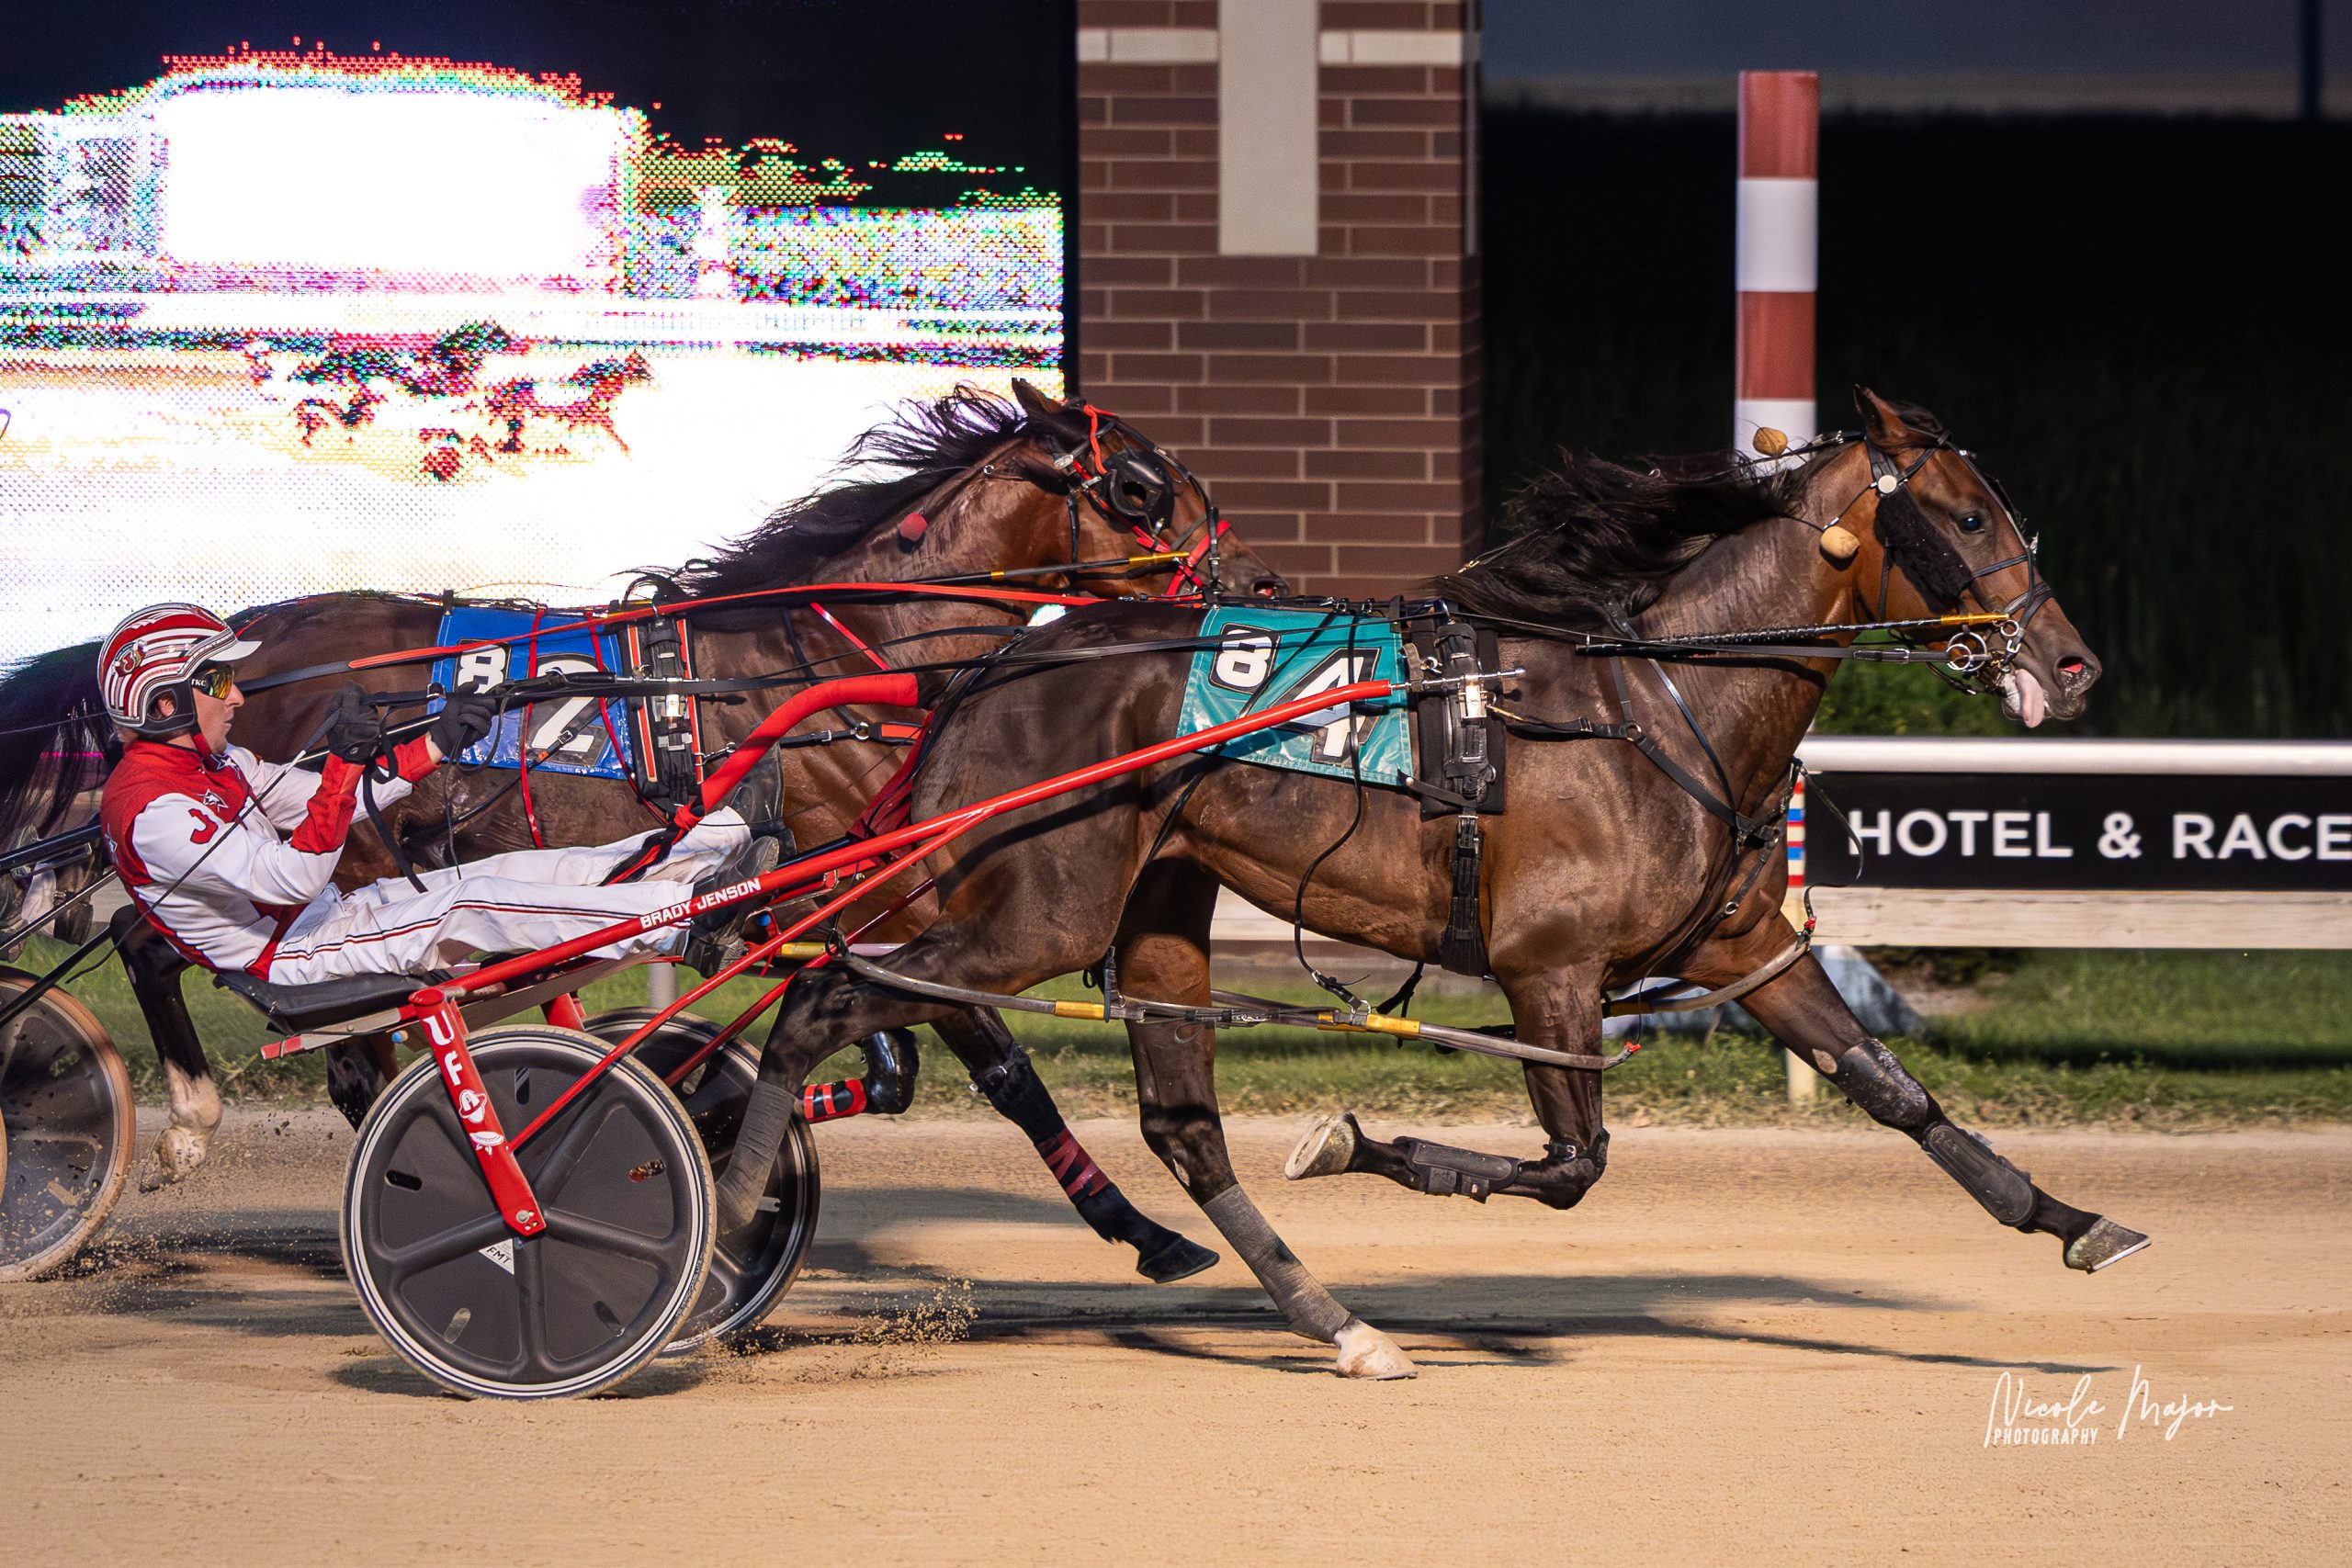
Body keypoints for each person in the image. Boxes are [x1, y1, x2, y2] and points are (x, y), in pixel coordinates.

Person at [96, 603, 766, 988]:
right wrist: (343, 767)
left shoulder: (218, 761)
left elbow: (347, 799)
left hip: (330, 917)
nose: (238, 696)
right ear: (163, 702)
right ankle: (688, 920)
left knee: (511, 869)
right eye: (217, 682)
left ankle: (713, 845)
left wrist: (440, 742)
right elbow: (293, 876)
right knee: (473, 904)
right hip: (290, 958)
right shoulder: (155, 813)